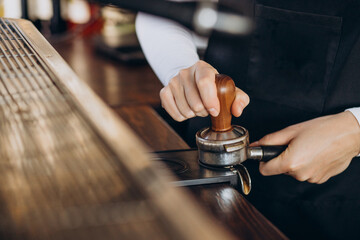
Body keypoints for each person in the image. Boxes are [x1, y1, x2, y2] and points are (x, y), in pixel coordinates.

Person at [136, 1, 360, 239]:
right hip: (207, 177)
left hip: (338, 197)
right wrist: (180, 68)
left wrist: (354, 130)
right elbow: (159, 10)